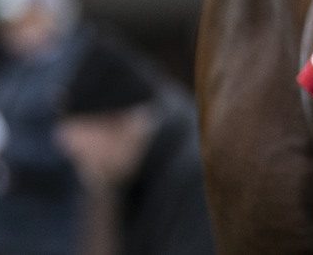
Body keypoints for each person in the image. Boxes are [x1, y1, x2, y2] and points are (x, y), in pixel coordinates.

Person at [52, 32, 212, 255]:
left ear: (114, 123)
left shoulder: (195, 174)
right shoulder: (137, 176)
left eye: (81, 154)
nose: (81, 170)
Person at [0, 0, 88, 255]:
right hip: (1, 235)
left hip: (50, 236)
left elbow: (74, 152)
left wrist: (4, 150)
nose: (12, 29)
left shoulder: (78, 68)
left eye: (24, 17)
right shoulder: (6, 75)